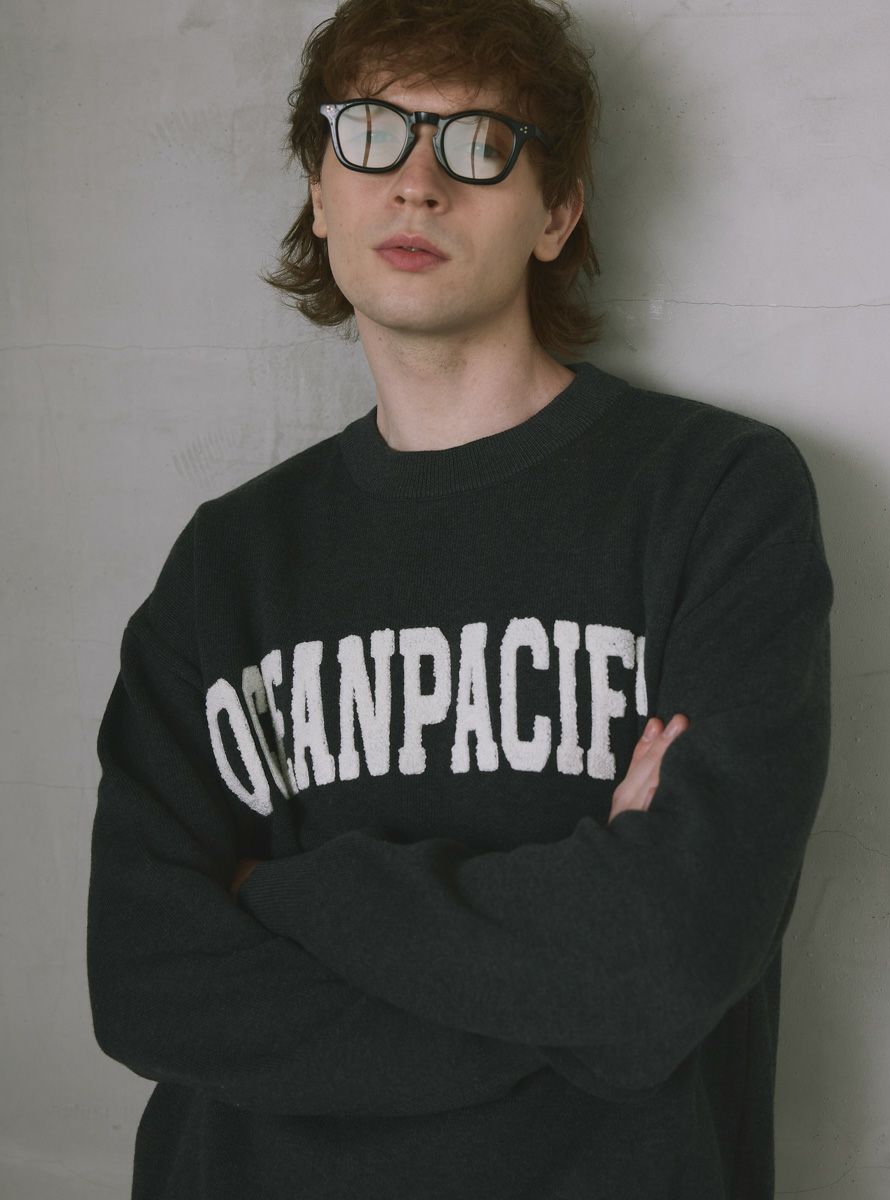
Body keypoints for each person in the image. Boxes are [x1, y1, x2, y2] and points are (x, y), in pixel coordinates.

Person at [86, 0, 833, 1196]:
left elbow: (671, 953)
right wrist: (581, 1010)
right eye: (370, 133)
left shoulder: (714, 495)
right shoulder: (227, 562)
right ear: (319, 193)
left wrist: (284, 895)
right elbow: (144, 981)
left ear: (558, 211)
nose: (417, 183)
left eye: (480, 144)